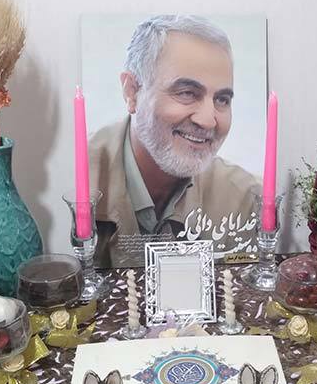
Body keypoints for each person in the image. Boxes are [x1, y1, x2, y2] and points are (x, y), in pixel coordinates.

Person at [90, 15, 260, 268]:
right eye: (187, 93)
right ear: (132, 92)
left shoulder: (244, 198)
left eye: (222, 99)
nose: (208, 120)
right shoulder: (81, 178)